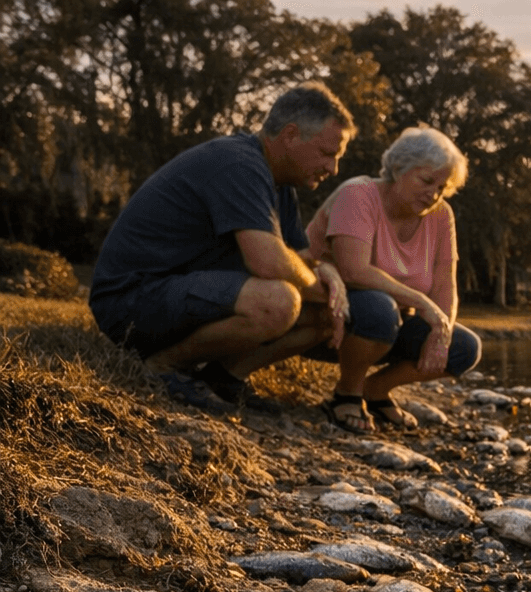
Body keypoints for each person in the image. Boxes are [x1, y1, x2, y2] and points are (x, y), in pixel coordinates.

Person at [89, 83, 354, 411]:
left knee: (320, 317)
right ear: (290, 135)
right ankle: (163, 367)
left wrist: (327, 277)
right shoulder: (239, 164)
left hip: (180, 289)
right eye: (328, 153)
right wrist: (330, 293)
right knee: (278, 302)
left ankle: (223, 378)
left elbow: (299, 259)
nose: (334, 169)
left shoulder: (281, 183)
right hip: (130, 299)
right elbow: (269, 263)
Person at [304, 125, 481, 432]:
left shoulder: (441, 216)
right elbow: (353, 271)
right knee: (379, 308)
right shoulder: (357, 194)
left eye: (442, 188)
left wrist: (442, 329)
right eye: (427, 181)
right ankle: (347, 393)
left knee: (464, 347)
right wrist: (422, 304)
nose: (434, 194)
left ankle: (376, 390)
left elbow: (444, 286)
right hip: (324, 318)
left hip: (386, 327)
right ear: (399, 169)